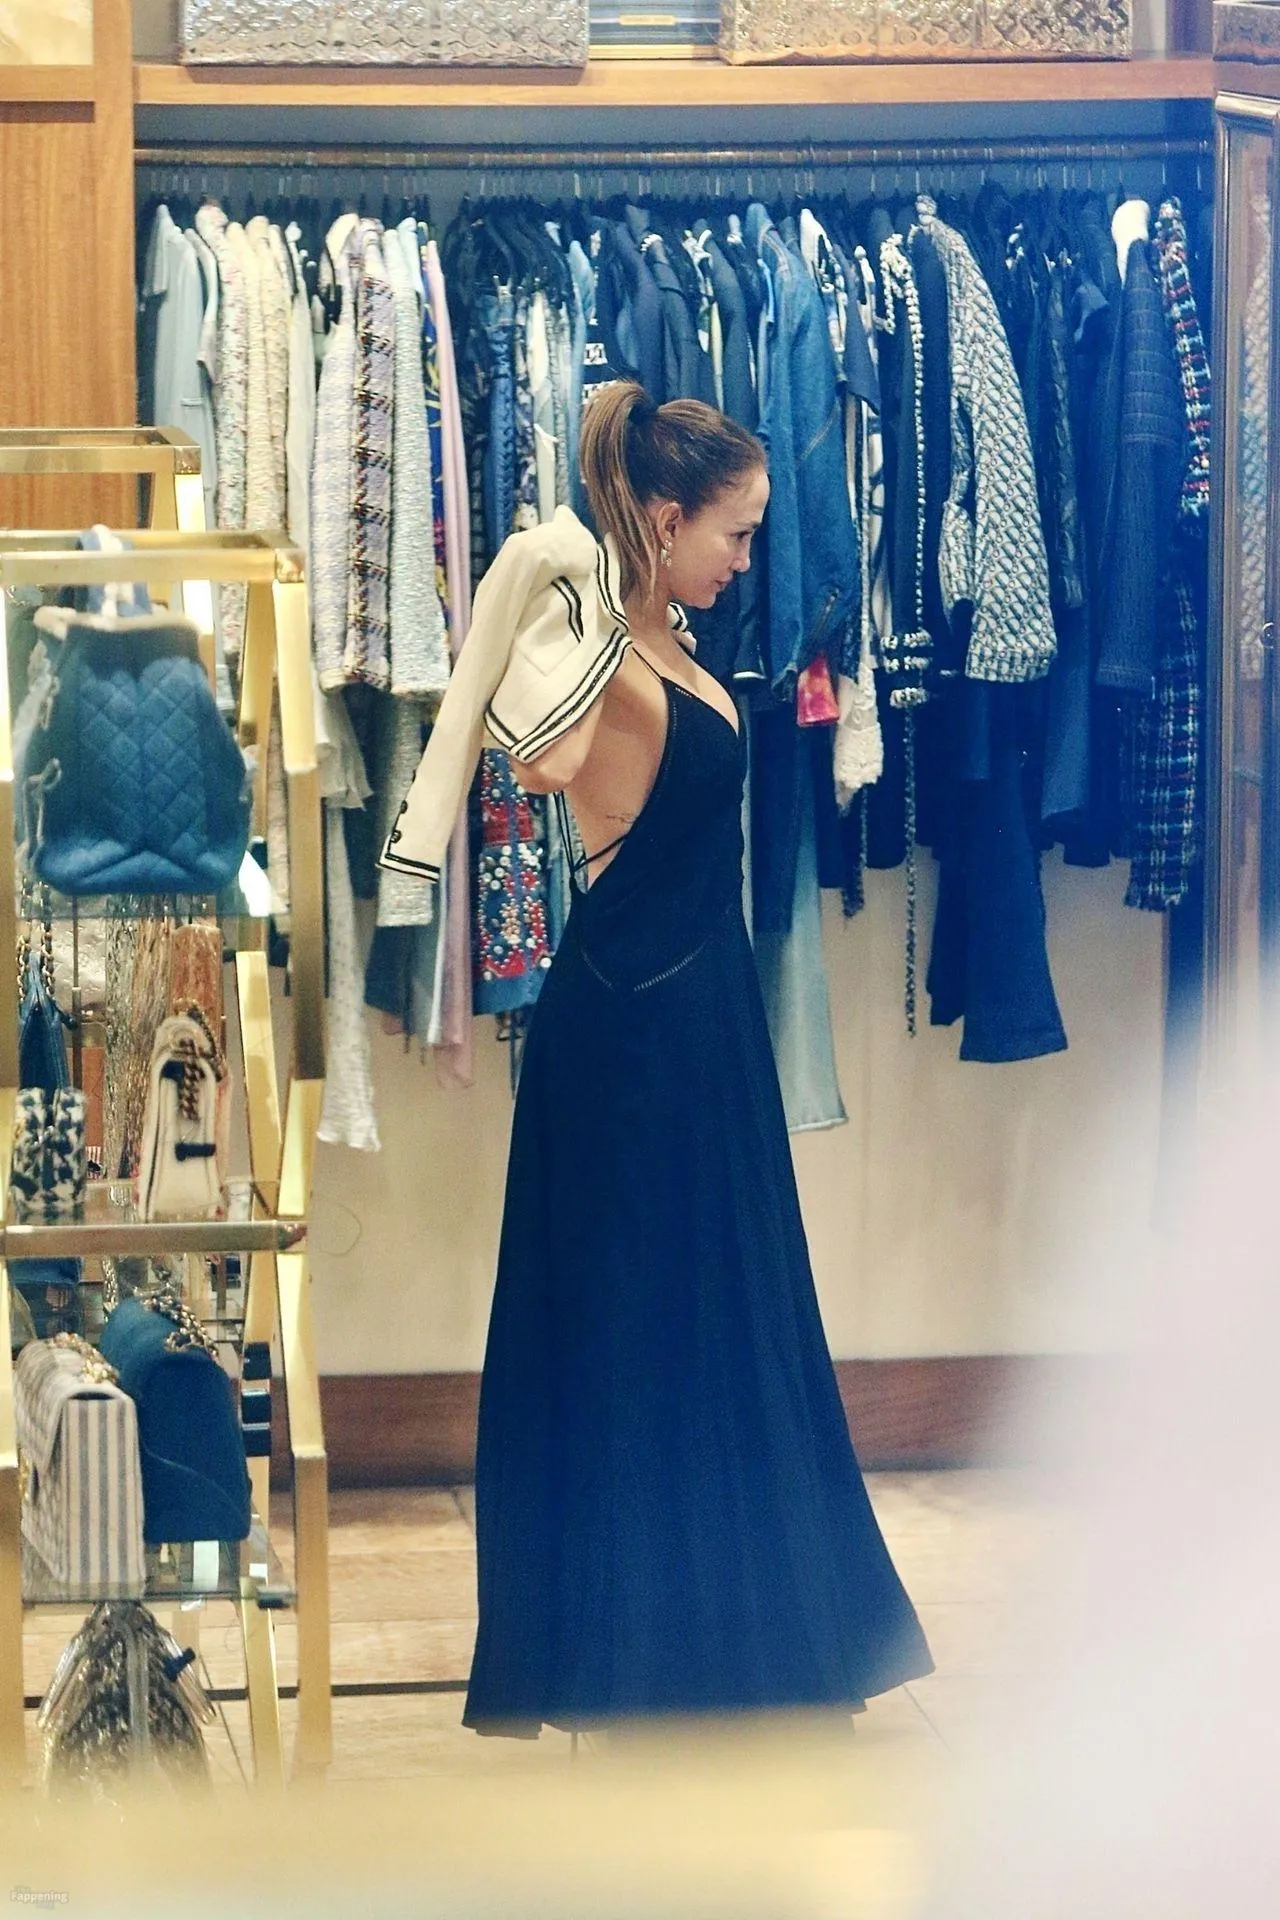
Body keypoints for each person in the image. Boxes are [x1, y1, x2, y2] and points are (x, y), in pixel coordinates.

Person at [464, 381, 933, 1736]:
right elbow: (532, 763)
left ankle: (730, 1633)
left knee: (717, 1312)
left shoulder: (669, 644)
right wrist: (563, 606)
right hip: (632, 1027)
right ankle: (643, 1649)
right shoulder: (602, 660)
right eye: (735, 532)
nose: (748, 558)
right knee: (636, 1323)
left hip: (693, 1012)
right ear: (664, 521)